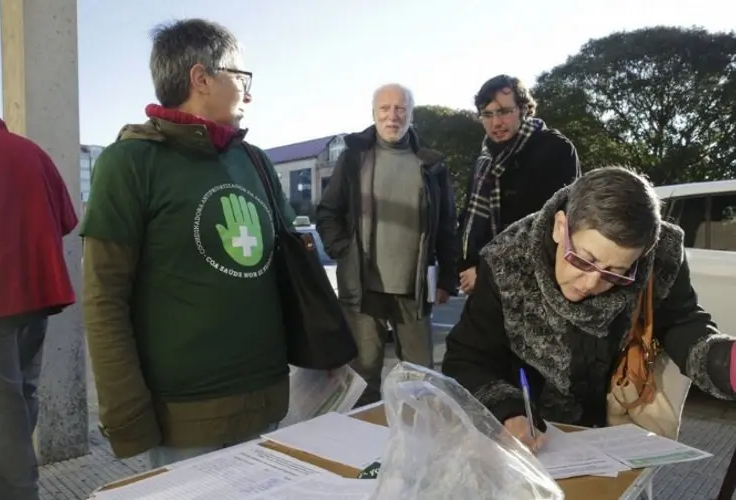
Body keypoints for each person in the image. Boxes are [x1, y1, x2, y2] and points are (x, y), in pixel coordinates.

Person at [80, 19, 295, 468]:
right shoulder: (129, 163)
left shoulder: (253, 160)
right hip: (183, 418)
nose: (249, 93)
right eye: (241, 77)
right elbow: (104, 299)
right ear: (201, 78)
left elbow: (290, 270)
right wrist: (127, 415)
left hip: (267, 401)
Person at [443, 167, 736, 451]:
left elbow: (682, 324)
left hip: (613, 432)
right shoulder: (506, 259)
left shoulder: (661, 256)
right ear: (561, 226)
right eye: (583, 260)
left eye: (616, 272)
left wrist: (727, 364)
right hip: (528, 436)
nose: (592, 282)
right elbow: (467, 357)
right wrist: (506, 410)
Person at [316, 83, 459, 406]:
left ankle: (418, 448)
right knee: (363, 376)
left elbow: (448, 225)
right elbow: (327, 212)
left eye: (400, 109)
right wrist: (344, 251)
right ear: (374, 113)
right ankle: (364, 448)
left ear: (410, 114)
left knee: (422, 380)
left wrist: (449, 277)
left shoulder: (431, 164)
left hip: (414, 289)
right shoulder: (355, 157)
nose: (392, 116)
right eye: (385, 109)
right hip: (363, 288)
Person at [0, 81, 77, 500]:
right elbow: (65, 219)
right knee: (21, 392)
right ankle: (19, 480)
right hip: (37, 296)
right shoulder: (32, 152)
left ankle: (17, 490)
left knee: (0, 401)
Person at [458, 74, 581, 294]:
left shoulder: (556, 149)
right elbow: (469, 218)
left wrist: (488, 272)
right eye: (487, 114)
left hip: (538, 285)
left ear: (524, 109)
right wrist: (467, 265)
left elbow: (556, 227)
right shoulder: (484, 161)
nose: (496, 122)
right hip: (486, 288)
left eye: (505, 111)